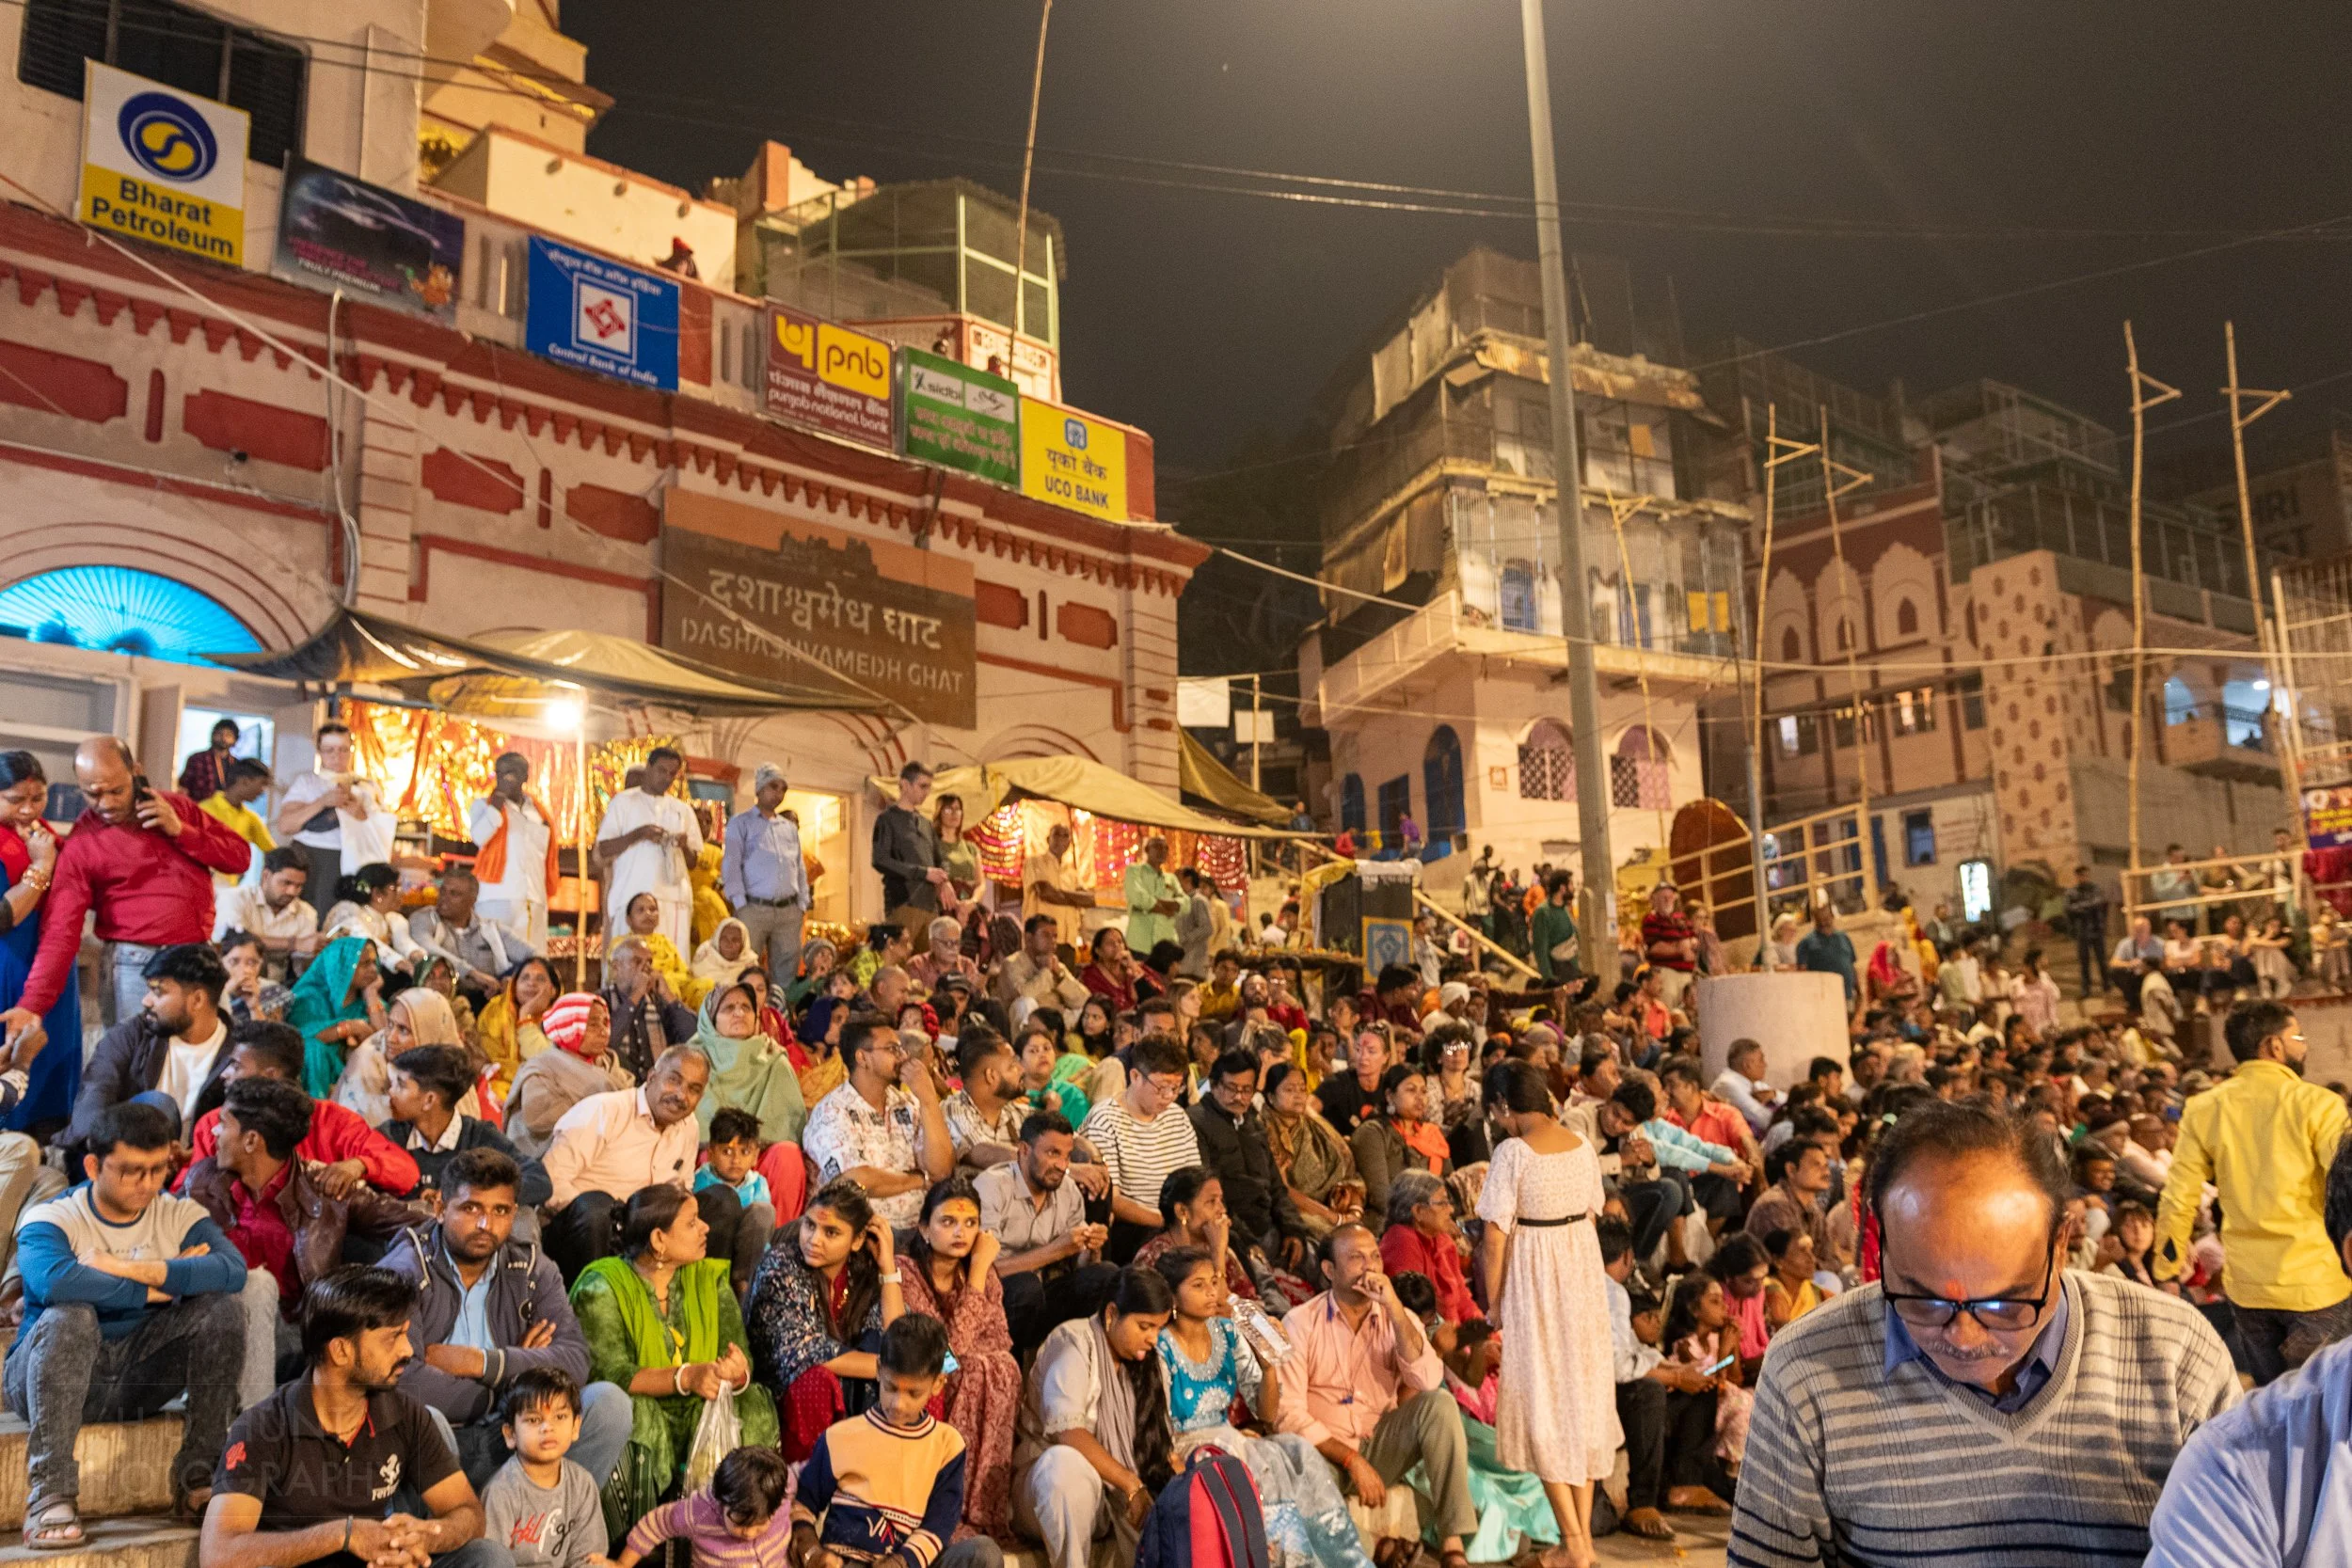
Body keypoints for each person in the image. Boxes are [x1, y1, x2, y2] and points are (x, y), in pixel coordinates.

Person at [1729, 1098, 2237, 1567]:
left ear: (2060, 1244)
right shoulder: (1808, 1369)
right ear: (1881, 1244)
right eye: (1925, 1299)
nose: (1965, 1336)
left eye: (2004, 1303)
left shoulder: (2173, 1353)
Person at [8, 1101, 246, 1548]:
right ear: (94, 1165)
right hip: (47, 1375)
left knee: (224, 1310)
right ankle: (49, 1493)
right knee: (71, 1315)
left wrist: (122, 1267)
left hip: (139, 1373)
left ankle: (198, 1478)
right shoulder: (53, 1217)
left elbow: (231, 1271)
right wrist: (167, 1281)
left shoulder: (177, 1212)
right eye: (132, 1170)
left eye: (158, 1169)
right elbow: (57, 1283)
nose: (148, 1183)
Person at [200, 1267, 499, 1568]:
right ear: (340, 1351)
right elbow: (220, 1553)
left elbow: (468, 1512)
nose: (408, 1350)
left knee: (487, 1556)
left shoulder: (406, 1414)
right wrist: (343, 1535)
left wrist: (425, 1536)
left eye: (406, 1334)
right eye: (392, 1338)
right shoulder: (261, 1427)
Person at [382, 1148, 622, 1488]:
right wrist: (515, 1383)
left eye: (500, 1211)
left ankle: (549, 1519)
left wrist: (484, 1363)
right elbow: (404, 1382)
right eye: (470, 1208)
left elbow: (575, 1360)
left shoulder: (532, 1268)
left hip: (515, 1431)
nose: (485, 1224)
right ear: (438, 1207)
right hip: (437, 1442)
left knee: (608, 1404)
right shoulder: (404, 1268)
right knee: (428, 1417)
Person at [186, 1076, 425, 1402]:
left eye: (223, 1125)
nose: (213, 1133)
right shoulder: (201, 1183)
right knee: (249, 1290)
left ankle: (251, 1419)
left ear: (252, 1140)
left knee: (259, 1288)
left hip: (296, 1334)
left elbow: (414, 1222)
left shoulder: (323, 1189)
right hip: (218, 1325)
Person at [1, 737, 249, 1048]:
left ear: (135, 771)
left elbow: (240, 857)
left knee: (217, 1060)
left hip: (197, 954)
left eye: (116, 790)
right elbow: (60, 932)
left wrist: (180, 831)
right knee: (140, 1066)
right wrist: (32, 1004)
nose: (105, 804)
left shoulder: (176, 808)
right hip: (135, 962)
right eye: (92, 794)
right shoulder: (82, 843)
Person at [2156, 999, 2352, 1383]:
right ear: (2274, 1046)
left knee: (2272, 1407)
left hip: (2248, 1289)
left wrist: (2166, 1267)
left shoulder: (2203, 1108)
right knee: (2330, 1408)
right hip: (2316, 1285)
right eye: (2297, 1036)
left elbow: (2179, 1196)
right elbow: (2345, 1175)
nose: (2303, 1045)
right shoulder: (2319, 1105)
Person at [1471, 1060, 1615, 1567]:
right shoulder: (1581, 1145)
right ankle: (1579, 1543)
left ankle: (1574, 1544)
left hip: (1536, 1279)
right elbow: (1593, 1212)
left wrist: (1494, 1300)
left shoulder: (1512, 1152)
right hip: (1580, 1273)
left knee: (1544, 1404)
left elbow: (1494, 1232)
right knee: (1580, 1399)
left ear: (1504, 1105)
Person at [1152, 1245, 1376, 1568]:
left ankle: (1340, 1558)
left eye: (1214, 1282)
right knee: (1248, 1456)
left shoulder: (1228, 1332)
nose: (1212, 1292)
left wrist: (1268, 1366)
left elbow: (1268, 1415)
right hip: (1185, 1445)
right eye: (1198, 1286)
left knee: (1294, 1448)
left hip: (1228, 1438)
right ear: (1172, 1296)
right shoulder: (1162, 1344)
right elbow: (1159, 1424)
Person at [568, 1185, 778, 1526]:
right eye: (692, 1223)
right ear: (658, 1239)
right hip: (646, 1406)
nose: (706, 1228)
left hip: (701, 1407)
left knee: (753, 1400)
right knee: (637, 1410)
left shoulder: (710, 1281)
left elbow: (742, 1357)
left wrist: (735, 1373)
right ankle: (635, 1538)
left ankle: (742, 1523)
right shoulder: (603, 1285)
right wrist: (686, 1378)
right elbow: (608, 1374)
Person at [1275, 1223, 1476, 1568]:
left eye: (1375, 1257)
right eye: (1356, 1258)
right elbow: (1288, 1413)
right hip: (1326, 1454)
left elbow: (1427, 1378)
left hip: (1380, 1443)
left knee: (1439, 1404)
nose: (1370, 1266)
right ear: (1329, 1270)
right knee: (1298, 1467)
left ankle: (1452, 1544)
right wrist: (1353, 1461)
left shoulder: (1398, 1317)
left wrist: (1396, 1309)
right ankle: (1375, 1548)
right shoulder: (1300, 1322)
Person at [1011, 1265, 1175, 1568]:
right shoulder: (1074, 1342)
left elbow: (1160, 1442)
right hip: (1047, 1495)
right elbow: (1069, 1432)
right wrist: (1129, 1483)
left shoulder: (1152, 1362)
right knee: (1065, 1465)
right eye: (1144, 1326)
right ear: (1111, 1314)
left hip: (1111, 1502)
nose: (1153, 1339)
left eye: (1159, 1329)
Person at [745, 1178, 906, 1461]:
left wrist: (888, 1267)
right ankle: (810, 1489)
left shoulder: (862, 1268)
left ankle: (887, 1480)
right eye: (809, 1225)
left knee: (924, 1373)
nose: (814, 1239)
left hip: (850, 1378)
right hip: (787, 1384)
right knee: (818, 1381)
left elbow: (898, 1336)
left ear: (857, 1241)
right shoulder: (781, 1266)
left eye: (831, 1232)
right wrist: (893, 1370)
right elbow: (805, 1352)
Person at [898, 1178, 1023, 1543]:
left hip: (969, 1368)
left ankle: (986, 1510)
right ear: (924, 1228)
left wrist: (980, 1273)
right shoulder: (906, 1272)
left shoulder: (981, 1272)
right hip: (921, 1371)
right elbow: (945, 1352)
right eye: (948, 1222)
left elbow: (1000, 1338)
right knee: (973, 1368)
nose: (961, 1233)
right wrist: (981, 1271)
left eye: (970, 1224)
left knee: (1003, 1367)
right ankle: (951, 1509)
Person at [541, 1047, 724, 1282]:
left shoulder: (689, 1126)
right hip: (583, 1232)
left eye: (693, 1089)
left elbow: (681, 1188)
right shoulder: (604, 1111)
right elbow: (550, 1181)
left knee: (721, 1201)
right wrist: (619, 1222)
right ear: (651, 1076)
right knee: (595, 1206)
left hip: (644, 1233)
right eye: (674, 1080)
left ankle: (698, 1298)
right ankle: (593, 1303)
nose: (681, 1095)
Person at [182, 1021, 421, 1200]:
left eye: (236, 1065)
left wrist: (359, 1165)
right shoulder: (214, 1125)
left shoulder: (333, 1120)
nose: (224, 1075)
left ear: (270, 1076)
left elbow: (405, 1171)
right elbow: (192, 1195)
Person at [1599, 1217, 1726, 1545]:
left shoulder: (1613, 1290)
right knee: (1650, 1391)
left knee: (1701, 1384)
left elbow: (1631, 1351)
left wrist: (1677, 1371)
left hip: (1613, 1379)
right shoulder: (1609, 1290)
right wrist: (1672, 1375)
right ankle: (1641, 1502)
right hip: (1599, 1391)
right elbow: (1617, 1366)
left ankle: (1683, 1483)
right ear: (1627, 1256)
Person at [66, 941, 234, 1149]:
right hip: (127, 1154)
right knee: (157, 1105)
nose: (146, 1001)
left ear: (197, 1000)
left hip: (198, 1164)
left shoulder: (239, 1051)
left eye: (158, 992)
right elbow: (94, 1097)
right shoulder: (131, 1035)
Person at [977, 1111, 1118, 1354]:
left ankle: (1076, 1360)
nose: (1062, 1166)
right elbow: (982, 1269)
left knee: (1106, 1275)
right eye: (1053, 1153)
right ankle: (1012, 1364)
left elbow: (1079, 1265)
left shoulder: (1068, 1189)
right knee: (1025, 1286)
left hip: (1045, 1293)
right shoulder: (992, 1186)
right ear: (1023, 1150)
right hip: (998, 1298)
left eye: (1067, 1156)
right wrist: (1055, 1251)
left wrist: (1090, 1248)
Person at [803, 1011, 956, 1230]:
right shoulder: (833, 1111)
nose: (903, 1056)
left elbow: (941, 1171)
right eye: (892, 1049)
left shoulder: (907, 1103)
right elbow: (856, 1179)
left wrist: (929, 1100)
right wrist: (918, 1180)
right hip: (864, 1232)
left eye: (900, 1048)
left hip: (923, 1230)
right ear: (862, 1058)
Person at [1079, 1034, 1201, 1260]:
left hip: (1178, 1219)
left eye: (1176, 1088)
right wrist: (1166, 1221)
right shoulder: (1106, 1120)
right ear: (1135, 1076)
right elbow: (1112, 1201)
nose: (1169, 1097)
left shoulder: (1177, 1116)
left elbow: (1194, 1181)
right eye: (1162, 1088)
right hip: (1134, 1228)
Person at [382, 1046, 549, 1205]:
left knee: (523, 1219)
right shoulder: (388, 1136)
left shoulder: (479, 1137)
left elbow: (538, 1179)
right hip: (403, 1232)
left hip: (471, 1233)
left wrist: (467, 1195)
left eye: (400, 1085)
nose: (390, 1092)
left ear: (429, 1100)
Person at [1190, 1047, 1310, 1266]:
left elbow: (1276, 1186)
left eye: (1246, 1090)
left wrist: (1292, 1229)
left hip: (1271, 1228)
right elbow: (1210, 1199)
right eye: (1232, 1088)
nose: (1239, 1097)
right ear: (1214, 1084)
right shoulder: (1197, 1122)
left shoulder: (1252, 1122)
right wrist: (1245, 1242)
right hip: (1232, 1235)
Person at [480, 1369, 607, 1568]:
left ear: (575, 1427)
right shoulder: (502, 1491)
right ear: (510, 1434)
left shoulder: (582, 1485)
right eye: (534, 1420)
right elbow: (491, 1560)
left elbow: (587, 1558)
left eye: (560, 1417)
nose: (547, 1428)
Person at [595, 748, 701, 955]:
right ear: (648, 768)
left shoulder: (682, 810)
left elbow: (693, 862)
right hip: (631, 899)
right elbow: (604, 848)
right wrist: (639, 834)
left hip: (672, 899)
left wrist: (683, 845)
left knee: (673, 965)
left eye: (672, 773)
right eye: (662, 770)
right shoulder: (623, 802)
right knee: (629, 962)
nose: (667, 778)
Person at [617, 1445, 794, 1567]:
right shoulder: (700, 1512)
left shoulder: (782, 1497)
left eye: (759, 1525)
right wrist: (622, 1564)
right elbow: (656, 1524)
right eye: (739, 1524)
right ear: (721, 1502)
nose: (748, 1533)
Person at [504, 993, 630, 1160]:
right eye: (592, 1024)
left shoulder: (611, 1064)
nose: (603, 1031)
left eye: (605, 1022)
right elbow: (538, 1121)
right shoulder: (541, 1069)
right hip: (553, 1160)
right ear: (567, 1027)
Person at [719, 761, 808, 986]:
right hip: (753, 909)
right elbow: (731, 865)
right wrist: (740, 904)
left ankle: (781, 1018)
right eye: (773, 786)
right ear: (759, 789)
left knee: (785, 974)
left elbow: (799, 867)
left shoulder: (788, 828)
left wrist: (802, 904)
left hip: (788, 912)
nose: (778, 793)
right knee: (745, 969)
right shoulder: (741, 823)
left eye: (783, 789)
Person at [690, 978, 803, 1148]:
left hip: (761, 1156)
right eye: (729, 1008)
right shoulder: (691, 1060)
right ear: (711, 1020)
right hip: (708, 1157)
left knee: (787, 1153)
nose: (739, 1013)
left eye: (746, 1008)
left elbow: (789, 1125)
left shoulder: (774, 1058)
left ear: (756, 1017)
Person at [335, 986, 465, 1130]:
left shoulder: (449, 1062)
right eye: (390, 1024)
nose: (391, 1038)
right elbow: (369, 1136)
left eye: (403, 1030)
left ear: (428, 1035)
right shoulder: (368, 1063)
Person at [1263, 1061, 1363, 1241]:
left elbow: (1348, 1171)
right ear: (1270, 1097)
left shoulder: (1314, 1123)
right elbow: (1282, 1190)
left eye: (1302, 1089)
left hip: (1334, 1206)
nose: (1299, 1096)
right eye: (1289, 1090)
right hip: (1295, 1212)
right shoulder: (1265, 1131)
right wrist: (1334, 1218)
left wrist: (1354, 1210)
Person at [468, 752, 557, 951]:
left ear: (525, 777)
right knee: (495, 959)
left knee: (534, 960)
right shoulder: (483, 805)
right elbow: (479, 838)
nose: (505, 778)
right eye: (500, 773)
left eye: (512, 773)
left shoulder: (539, 814)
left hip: (534, 899)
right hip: (496, 899)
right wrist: (497, 804)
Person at [409, 868, 531, 1005]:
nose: (444, 898)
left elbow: (533, 955)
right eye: (443, 891)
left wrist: (513, 980)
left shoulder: (490, 929)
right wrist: (472, 973)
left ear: (472, 900)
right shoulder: (425, 918)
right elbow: (428, 947)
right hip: (442, 1001)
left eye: (454, 894)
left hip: (487, 1001)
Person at [1352, 1063, 1451, 1219]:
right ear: (1389, 1096)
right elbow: (1381, 1196)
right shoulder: (1373, 1132)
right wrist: (1423, 1217)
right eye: (1411, 1090)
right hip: (1393, 1222)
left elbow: (1449, 1185)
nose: (1420, 1098)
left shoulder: (1431, 1134)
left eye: (1424, 1091)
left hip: (1434, 1219)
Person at [1379, 1168, 1474, 1326]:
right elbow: (1414, 1316)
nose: (1450, 1209)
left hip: (1454, 1337)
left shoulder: (1442, 1239)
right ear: (1418, 1211)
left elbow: (1463, 1301)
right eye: (1442, 1203)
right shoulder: (1401, 1241)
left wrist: (1484, 1335)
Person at [599, 935, 696, 1085]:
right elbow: (606, 1042)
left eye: (649, 962)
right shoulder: (600, 1001)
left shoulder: (658, 1001)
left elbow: (693, 1038)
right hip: (615, 1086)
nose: (647, 968)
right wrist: (635, 996)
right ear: (616, 967)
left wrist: (668, 995)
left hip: (658, 1086)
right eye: (637, 961)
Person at [212, 846, 325, 967]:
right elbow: (233, 941)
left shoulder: (307, 913)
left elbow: (303, 962)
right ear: (266, 876)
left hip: (281, 984)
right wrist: (294, 944)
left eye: (299, 886)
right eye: (286, 883)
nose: (292, 891)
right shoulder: (235, 898)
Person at [874, 760, 953, 931]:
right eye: (922, 786)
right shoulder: (887, 820)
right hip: (902, 903)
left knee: (930, 958)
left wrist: (944, 880)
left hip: (931, 907)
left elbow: (941, 859)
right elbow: (880, 860)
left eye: (929, 787)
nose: (927, 792)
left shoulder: (926, 823)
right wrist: (924, 873)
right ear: (905, 784)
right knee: (901, 957)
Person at [943, 1029, 1028, 1171]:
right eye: (1013, 1065)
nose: (1022, 1070)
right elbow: (978, 1150)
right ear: (991, 1076)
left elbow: (1059, 1137)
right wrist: (1043, 1162)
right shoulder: (954, 1109)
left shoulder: (1014, 1111)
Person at [996, 911, 1091, 1015]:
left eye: (1055, 936)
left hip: (1056, 1019)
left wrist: (1060, 976)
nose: (1053, 941)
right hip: (1029, 1022)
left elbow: (1085, 1000)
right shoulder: (1011, 964)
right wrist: (1045, 971)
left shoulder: (1057, 966)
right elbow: (1023, 996)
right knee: (1025, 1003)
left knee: (1087, 1011)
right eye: (1046, 935)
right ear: (1028, 938)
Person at [1023, 820, 1090, 951]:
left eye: (1065, 836)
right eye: (1057, 835)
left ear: (1069, 843)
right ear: (1048, 839)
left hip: (1069, 941)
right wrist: (1074, 899)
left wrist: (1058, 894)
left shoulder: (1072, 873)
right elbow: (1046, 893)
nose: (1061, 839)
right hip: (1042, 940)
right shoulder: (1035, 862)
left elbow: (1088, 899)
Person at [1710, 1037, 1779, 1139]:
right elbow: (1764, 1120)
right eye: (1761, 1060)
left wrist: (1774, 1094)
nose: (1765, 1064)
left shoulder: (1756, 1083)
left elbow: (1788, 1099)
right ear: (1747, 1065)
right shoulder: (1727, 1084)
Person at [1794, 900, 1858, 1006]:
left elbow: (1851, 965)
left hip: (1847, 996)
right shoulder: (1806, 943)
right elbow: (1802, 972)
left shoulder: (1843, 937)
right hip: (1823, 999)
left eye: (1826, 919)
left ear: (1831, 917)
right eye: (1819, 920)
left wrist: (1858, 991)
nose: (1823, 923)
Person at [1532, 871, 1579, 986]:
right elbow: (1540, 949)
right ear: (1562, 888)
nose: (1573, 888)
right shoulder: (1543, 912)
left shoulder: (1564, 909)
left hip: (1571, 970)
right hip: (1558, 973)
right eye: (1571, 884)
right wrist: (1549, 979)